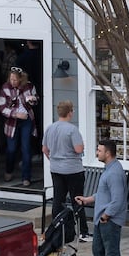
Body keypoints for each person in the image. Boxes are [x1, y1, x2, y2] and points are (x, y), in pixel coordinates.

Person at [75, 139, 125, 256]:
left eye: (99, 150)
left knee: (111, 254)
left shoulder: (115, 172)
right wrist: (88, 199)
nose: (97, 153)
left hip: (109, 220)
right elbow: (105, 194)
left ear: (108, 153)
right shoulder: (108, 169)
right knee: (98, 251)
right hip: (101, 219)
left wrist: (106, 215)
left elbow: (117, 199)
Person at [43, 99, 88, 241]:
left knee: (58, 199)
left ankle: (57, 227)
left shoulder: (50, 128)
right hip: (73, 169)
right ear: (70, 112)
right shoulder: (72, 129)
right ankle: (83, 232)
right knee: (78, 200)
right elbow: (78, 149)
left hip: (56, 169)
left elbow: (45, 149)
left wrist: (54, 160)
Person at [0, 66, 38, 185]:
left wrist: (32, 99)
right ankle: (9, 171)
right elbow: (1, 107)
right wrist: (15, 114)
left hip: (26, 121)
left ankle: (26, 177)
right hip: (12, 122)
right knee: (11, 149)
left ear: (21, 79)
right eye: (11, 79)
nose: (12, 82)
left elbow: (36, 100)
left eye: (15, 80)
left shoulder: (29, 86)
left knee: (26, 148)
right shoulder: (5, 88)